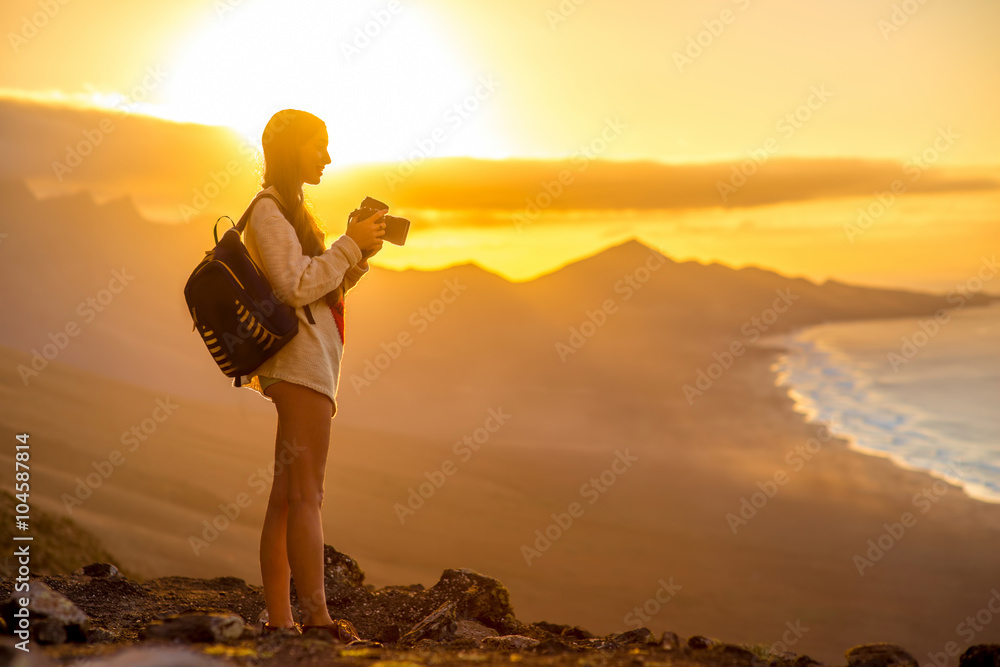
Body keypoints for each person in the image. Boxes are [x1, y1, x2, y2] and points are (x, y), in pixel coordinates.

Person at [237, 109, 386, 640]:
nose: (327, 156)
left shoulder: (291, 210)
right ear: (290, 149)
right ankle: (317, 619)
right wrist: (346, 245)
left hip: (308, 365)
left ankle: (281, 620)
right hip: (300, 368)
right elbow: (293, 286)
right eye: (317, 145)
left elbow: (318, 291)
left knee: (286, 498)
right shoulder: (269, 211)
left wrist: (357, 256)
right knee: (308, 496)